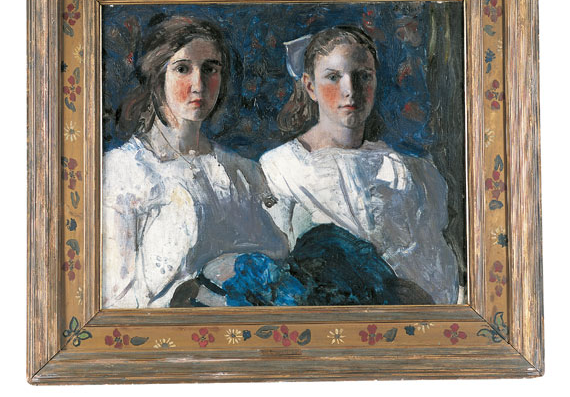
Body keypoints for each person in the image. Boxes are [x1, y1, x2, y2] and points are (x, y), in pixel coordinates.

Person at [259, 25, 459, 304]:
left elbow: (436, 270)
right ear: (310, 86)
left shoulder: (409, 171)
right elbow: (275, 270)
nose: (350, 90)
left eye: (363, 76)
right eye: (333, 77)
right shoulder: (281, 167)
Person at [102, 16, 288, 309]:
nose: (198, 84)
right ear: (158, 76)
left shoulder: (242, 170)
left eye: (210, 69)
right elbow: (115, 301)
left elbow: (278, 255)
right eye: (182, 69)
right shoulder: (123, 171)